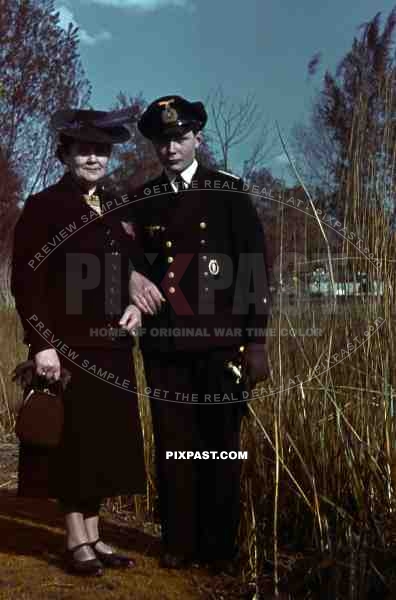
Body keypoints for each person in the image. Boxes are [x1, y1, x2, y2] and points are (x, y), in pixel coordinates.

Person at [129, 95, 270, 572]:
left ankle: (219, 548)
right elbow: (126, 258)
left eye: (179, 139)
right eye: (161, 141)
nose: (170, 148)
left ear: (197, 139)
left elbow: (254, 267)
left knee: (218, 443)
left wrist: (257, 340)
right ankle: (178, 542)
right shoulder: (144, 198)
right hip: (166, 344)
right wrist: (132, 277)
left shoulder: (227, 191)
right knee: (173, 442)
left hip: (220, 343)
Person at [11, 109, 146, 576]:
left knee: (104, 443)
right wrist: (41, 344)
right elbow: (25, 284)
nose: (94, 157)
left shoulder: (112, 204)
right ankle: (74, 540)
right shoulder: (44, 206)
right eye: (84, 149)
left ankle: (94, 535)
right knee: (74, 445)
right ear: (66, 154)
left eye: (102, 150)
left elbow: (127, 269)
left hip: (112, 344)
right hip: (66, 346)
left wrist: (136, 303)